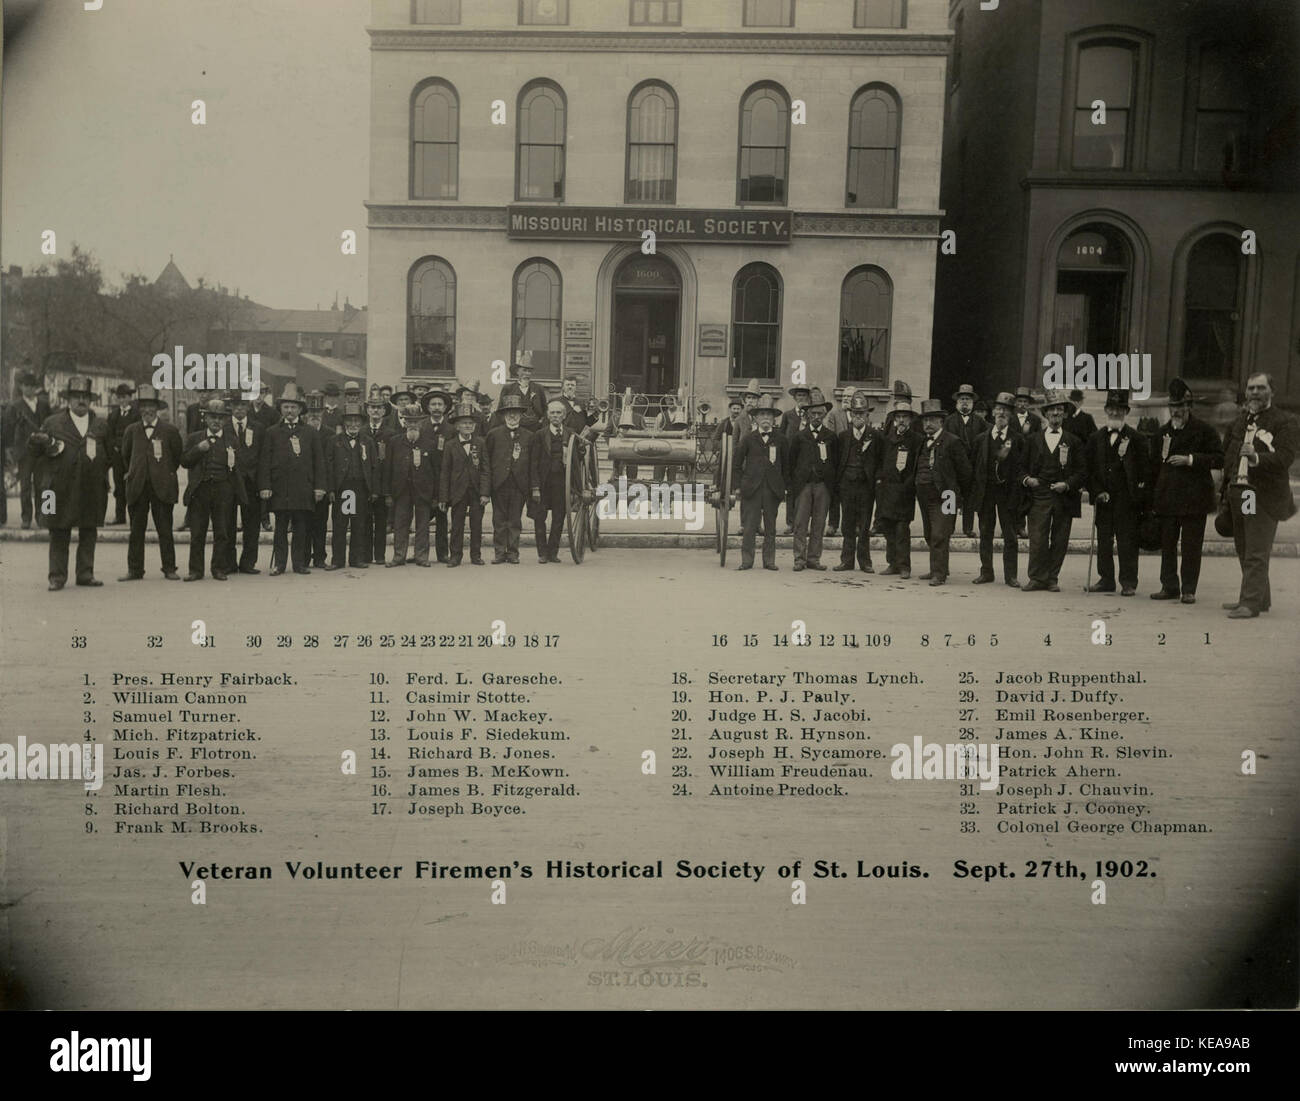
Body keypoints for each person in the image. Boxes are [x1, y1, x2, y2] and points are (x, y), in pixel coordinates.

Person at [1221, 373, 1298, 618]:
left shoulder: (1285, 421)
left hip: (1262, 495)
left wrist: (1256, 457)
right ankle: (1259, 598)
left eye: (1260, 388)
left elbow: (1285, 457)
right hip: (1242, 494)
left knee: (1256, 549)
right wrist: (1226, 487)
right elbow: (1229, 455)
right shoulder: (1241, 420)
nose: (1254, 392)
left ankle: (1250, 604)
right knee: (1245, 546)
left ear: (1271, 391)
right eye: (1251, 388)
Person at [28, 377, 110, 590]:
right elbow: (36, 452)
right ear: (69, 400)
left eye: (85, 397)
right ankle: (57, 577)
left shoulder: (100, 424)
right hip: (59, 487)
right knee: (58, 531)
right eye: (76, 397)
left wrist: (102, 476)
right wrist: (42, 444)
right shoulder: (52, 423)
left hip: (91, 486)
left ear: (90, 400)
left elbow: (110, 455)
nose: (81, 401)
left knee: (89, 530)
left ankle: (85, 574)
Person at [1148, 377, 1223, 604]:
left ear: (1189, 406)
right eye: (1173, 406)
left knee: (1191, 547)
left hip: (1194, 501)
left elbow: (1219, 459)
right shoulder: (1161, 433)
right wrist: (1152, 499)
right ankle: (1169, 586)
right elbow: (1153, 467)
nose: (1177, 411)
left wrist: (1190, 459)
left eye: (1181, 406)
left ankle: (1189, 589)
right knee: (1168, 546)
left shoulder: (1204, 430)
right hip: (1168, 500)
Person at [1020, 390, 1086, 592]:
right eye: (1052, 410)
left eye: (1059, 409)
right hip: (1039, 496)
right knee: (1037, 539)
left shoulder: (1073, 441)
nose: (1056, 414)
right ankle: (1036, 577)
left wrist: (1067, 484)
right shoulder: (1033, 440)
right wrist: (1027, 480)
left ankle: (1052, 578)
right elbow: (1020, 467)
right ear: (1045, 415)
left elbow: (1082, 471)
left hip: (1063, 498)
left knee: (1059, 539)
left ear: (1064, 414)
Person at [1084, 389, 1148, 596]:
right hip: (1103, 500)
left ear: (1126, 412)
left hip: (1126, 500)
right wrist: (1097, 492)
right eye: (1111, 408)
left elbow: (1144, 470)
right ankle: (1106, 579)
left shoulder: (1136, 438)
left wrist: (1138, 496)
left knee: (1126, 541)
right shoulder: (1095, 438)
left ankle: (1128, 582)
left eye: (1119, 409)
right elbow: (1089, 470)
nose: (1115, 412)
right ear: (1105, 410)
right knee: (1104, 540)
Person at [258, 382, 327, 576]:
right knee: (280, 528)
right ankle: (280, 564)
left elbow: (319, 463)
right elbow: (265, 461)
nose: (289, 410)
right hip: (280, 489)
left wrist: (319, 487)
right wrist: (265, 486)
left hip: (303, 488)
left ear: (300, 410)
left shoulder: (310, 433)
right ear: (280, 408)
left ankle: (299, 564)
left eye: (293, 407)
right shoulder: (271, 433)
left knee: (301, 528)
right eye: (286, 407)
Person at [118, 384, 182, 582]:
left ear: (157, 408)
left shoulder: (170, 431)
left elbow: (176, 457)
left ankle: (169, 568)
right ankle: (135, 570)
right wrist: (137, 472)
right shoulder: (131, 430)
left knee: (165, 529)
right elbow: (125, 455)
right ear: (139, 408)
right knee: (136, 531)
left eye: (151, 405)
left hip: (162, 487)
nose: (147, 409)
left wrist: (163, 473)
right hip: (138, 487)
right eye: (143, 405)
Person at [180, 397, 245, 582]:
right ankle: (195, 570)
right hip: (200, 490)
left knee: (222, 532)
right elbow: (184, 461)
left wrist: (235, 491)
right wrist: (198, 450)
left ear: (224, 420)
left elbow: (237, 466)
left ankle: (218, 568)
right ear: (206, 419)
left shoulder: (232, 439)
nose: (216, 421)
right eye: (212, 417)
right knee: (197, 532)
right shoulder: (195, 438)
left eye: (219, 418)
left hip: (223, 491)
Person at [916, 398, 973, 586]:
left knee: (941, 534)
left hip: (947, 496)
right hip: (925, 495)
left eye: (932, 420)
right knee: (929, 533)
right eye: (925, 420)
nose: (928, 424)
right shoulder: (922, 442)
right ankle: (937, 568)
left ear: (941, 421)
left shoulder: (952, 442)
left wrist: (961, 500)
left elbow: (965, 473)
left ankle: (939, 574)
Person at [969, 392, 1024, 587]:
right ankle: (986, 572)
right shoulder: (980, 439)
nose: (1001, 413)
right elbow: (974, 468)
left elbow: (1020, 468)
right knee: (985, 533)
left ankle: (1011, 576)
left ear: (1011, 415)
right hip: (986, 494)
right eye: (999, 409)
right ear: (993, 412)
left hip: (1007, 495)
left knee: (1010, 536)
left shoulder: (1017, 440)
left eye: (1006, 410)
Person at [732, 395, 787, 571]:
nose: (765, 419)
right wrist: (739, 486)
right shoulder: (748, 438)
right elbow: (736, 464)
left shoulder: (781, 439)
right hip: (752, 489)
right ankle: (747, 560)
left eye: (769, 415)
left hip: (772, 490)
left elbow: (786, 466)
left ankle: (769, 561)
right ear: (755, 418)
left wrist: (784, 487)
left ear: (774, 419)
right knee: (749, 527)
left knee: (770, 527)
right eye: (762, 415)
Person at [324, 402, 380, 570]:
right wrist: (331, 489)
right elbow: (329, 466)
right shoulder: (335, 441)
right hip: (343, 488)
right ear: (344, 423)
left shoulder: (367, 442)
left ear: (361, 423)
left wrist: (374, 490)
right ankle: (337, 560)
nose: (354, 424)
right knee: (340, 524)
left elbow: (374, 466)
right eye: (350, 421)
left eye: (357, 421)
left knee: (359, 524)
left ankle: (356, 559)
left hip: (360, 488)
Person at [789, 387, 838, 572]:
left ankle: (814, 559)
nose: (817, 416)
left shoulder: (830, 437)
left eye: (820, 413)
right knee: (800, 523)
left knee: (819, 523)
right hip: (803, 486)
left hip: (822, 486)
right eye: (813, 413)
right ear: (807, 414)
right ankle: (799, 559)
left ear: (825, 414)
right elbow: (792, 461)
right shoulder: (799, 437)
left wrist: (829, 484)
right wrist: (794, 484)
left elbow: (835, 461)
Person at [833, 391, 881, 573]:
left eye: (862, 413)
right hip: (847, 485)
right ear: (851, 415)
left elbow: (879, 460)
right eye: (855, 413)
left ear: (868, 416)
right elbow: (838, 461)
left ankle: (865, 561)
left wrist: (876, 480)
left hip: (866, 487)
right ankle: (846, 561)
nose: (858, 417)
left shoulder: (875, 436)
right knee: (847, 524)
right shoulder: (843, 436)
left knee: (864, 524)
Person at [484, 393, 535, 564]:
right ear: (504, 415)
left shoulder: (529, 436)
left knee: (514, 520)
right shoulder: (493, 435)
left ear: (521, 415)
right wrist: (488, 487)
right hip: (499, 484)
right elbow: (487, 462)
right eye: (509, 412)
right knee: (499, 520)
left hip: (519, 485)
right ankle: (499, 552)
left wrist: (532, 486)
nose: (512, 416)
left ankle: (513, 552)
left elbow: (533, 464)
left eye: (516, 412)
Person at [387, 408, 440, 567]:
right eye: (409, 421)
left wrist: (436, 495)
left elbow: (436, 471)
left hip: (423, 491)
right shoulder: (395, 442)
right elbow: (388, 469)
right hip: (401, 490)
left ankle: (421, 556)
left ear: (421, 423)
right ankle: (398, 556)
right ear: (404, 422)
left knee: (422, 525)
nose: (412, 425)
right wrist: (388, 493)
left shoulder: (430, 443)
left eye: (416, 422)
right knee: (401, 524)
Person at [876, 394, 921, 579]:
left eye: (905, 417)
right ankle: (892, 563)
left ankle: (904, 566)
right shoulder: (887, 439)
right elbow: (880, 462)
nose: (901, 420)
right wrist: (880, 481)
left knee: (902, 530)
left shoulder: (916, 440)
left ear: (910, 419)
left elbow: (917, 465)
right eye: (898, 417)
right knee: (888, 528)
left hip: (905, 491)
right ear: (894, 419)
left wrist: (908, 485)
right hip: (888, 490)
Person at [439, 398, 488, 567]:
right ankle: (455, 556)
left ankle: (476, 555)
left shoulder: (480, 443)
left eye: (471, 423)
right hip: (457, 491)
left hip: (475, 491)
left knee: (476, 525)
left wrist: (484, 493)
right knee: (457, 524)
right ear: (457, 426)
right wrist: (444, 497)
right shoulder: (450, 445)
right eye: (464, 423)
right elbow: (445, 472)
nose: (468, 426)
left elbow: (485, 470)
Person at [530, 399, 580, 564]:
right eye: (552, 413)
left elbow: (577, 459)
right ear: (547, 415)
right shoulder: (539, 434)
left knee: (559, 518)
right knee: (540, 518)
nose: (555, 416)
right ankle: (542, 553)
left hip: (562, 484)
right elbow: (534, 463)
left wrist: (577, 488)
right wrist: (535, 487)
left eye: (559, 413)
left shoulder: (571, 433)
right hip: (544, 483)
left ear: (564, 416)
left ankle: (553, 552)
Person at [2, 368, 51, 528]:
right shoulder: (15, 406)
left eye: (32, 386)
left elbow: (51, 425)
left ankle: (43, 517)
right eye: (26, 385)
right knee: (25, 486)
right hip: (24, 451)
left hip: (42, 450)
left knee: (42, 485)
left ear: (36, 387)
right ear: (21, 387)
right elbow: (8, 429)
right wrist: (10, 450)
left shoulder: (44, 405)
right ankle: (26, 518)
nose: (29, 389)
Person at [222, 394, 264, 574]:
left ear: (248, 407)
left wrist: (262, 484)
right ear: (230, 407)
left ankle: (248, 562)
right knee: (227, 523)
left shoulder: (259, 428)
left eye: (242, 405)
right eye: (235, 405)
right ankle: (229, 562)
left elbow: (264, 458)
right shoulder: (223, 427)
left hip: (250, 483)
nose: (239, 409)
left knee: (251, 524)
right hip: (229, 482)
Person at [944, 384, 987, 537]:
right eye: (962, 398)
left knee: (969, 498)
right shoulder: (948, 421)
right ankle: (947, 527)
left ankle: (968, 528)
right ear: (957, 401)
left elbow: (984, 444)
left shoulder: (980, 422)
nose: (964, 402)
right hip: (954, 466)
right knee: (950, 495)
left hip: (972, 466)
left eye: (967, 399)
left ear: (972, 402)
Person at [420, 390, 452, 562]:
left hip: (442, 481)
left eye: (440, 404)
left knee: (442, 518)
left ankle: (442, 554)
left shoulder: (451, 429)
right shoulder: (420, 427)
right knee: (422, 519)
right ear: (427, 407)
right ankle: (421, 553)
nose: (437, 408)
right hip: (423, 480)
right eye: (433, 404)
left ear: (445, 407)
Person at [363, 395, 394, 563]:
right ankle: (366, 556)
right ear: (367, 410)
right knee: (366, 521)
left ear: (384, 411)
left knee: (381, 522)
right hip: (366, 485)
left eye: (379, 407)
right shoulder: (361, 431)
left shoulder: (390, 434)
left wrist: (388, 492)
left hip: (383, 485)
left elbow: (391, 465)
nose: (375, 410)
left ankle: (380, 556)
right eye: (372, 407)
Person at [105, 382, 139, 525]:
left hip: (131, 455)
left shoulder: (136, 414)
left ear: (130, 397)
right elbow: (109, 434)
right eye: (119, 397)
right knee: (119, 486)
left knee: (132, 485)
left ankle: (135, 517)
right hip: (117, 456)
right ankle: (120, 516)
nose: (122, 400)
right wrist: (114, 447)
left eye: (124, 397)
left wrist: (129, 448)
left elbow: (137, 434)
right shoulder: (113, 415)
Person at [780, 383, 812, 533]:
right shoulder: (788, 415)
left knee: (806, 491)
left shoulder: (811, 415)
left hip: (805, 459)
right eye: (799, 395)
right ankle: (790, 523)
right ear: (794, 398)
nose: (801, 398)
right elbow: (781, 436)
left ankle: (804, 523)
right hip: (790, 458)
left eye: (804, 396)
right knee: (791, 491)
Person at [498, 353, 548, 432]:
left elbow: (545, 410)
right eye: (524, 370)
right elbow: (500, 411)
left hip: (535, 429)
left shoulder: (538, 388)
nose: (527, 374)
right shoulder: (508, 389)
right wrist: (508, 426)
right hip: (515, 428)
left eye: (529, 371)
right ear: (517, 372)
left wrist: (541, 425)